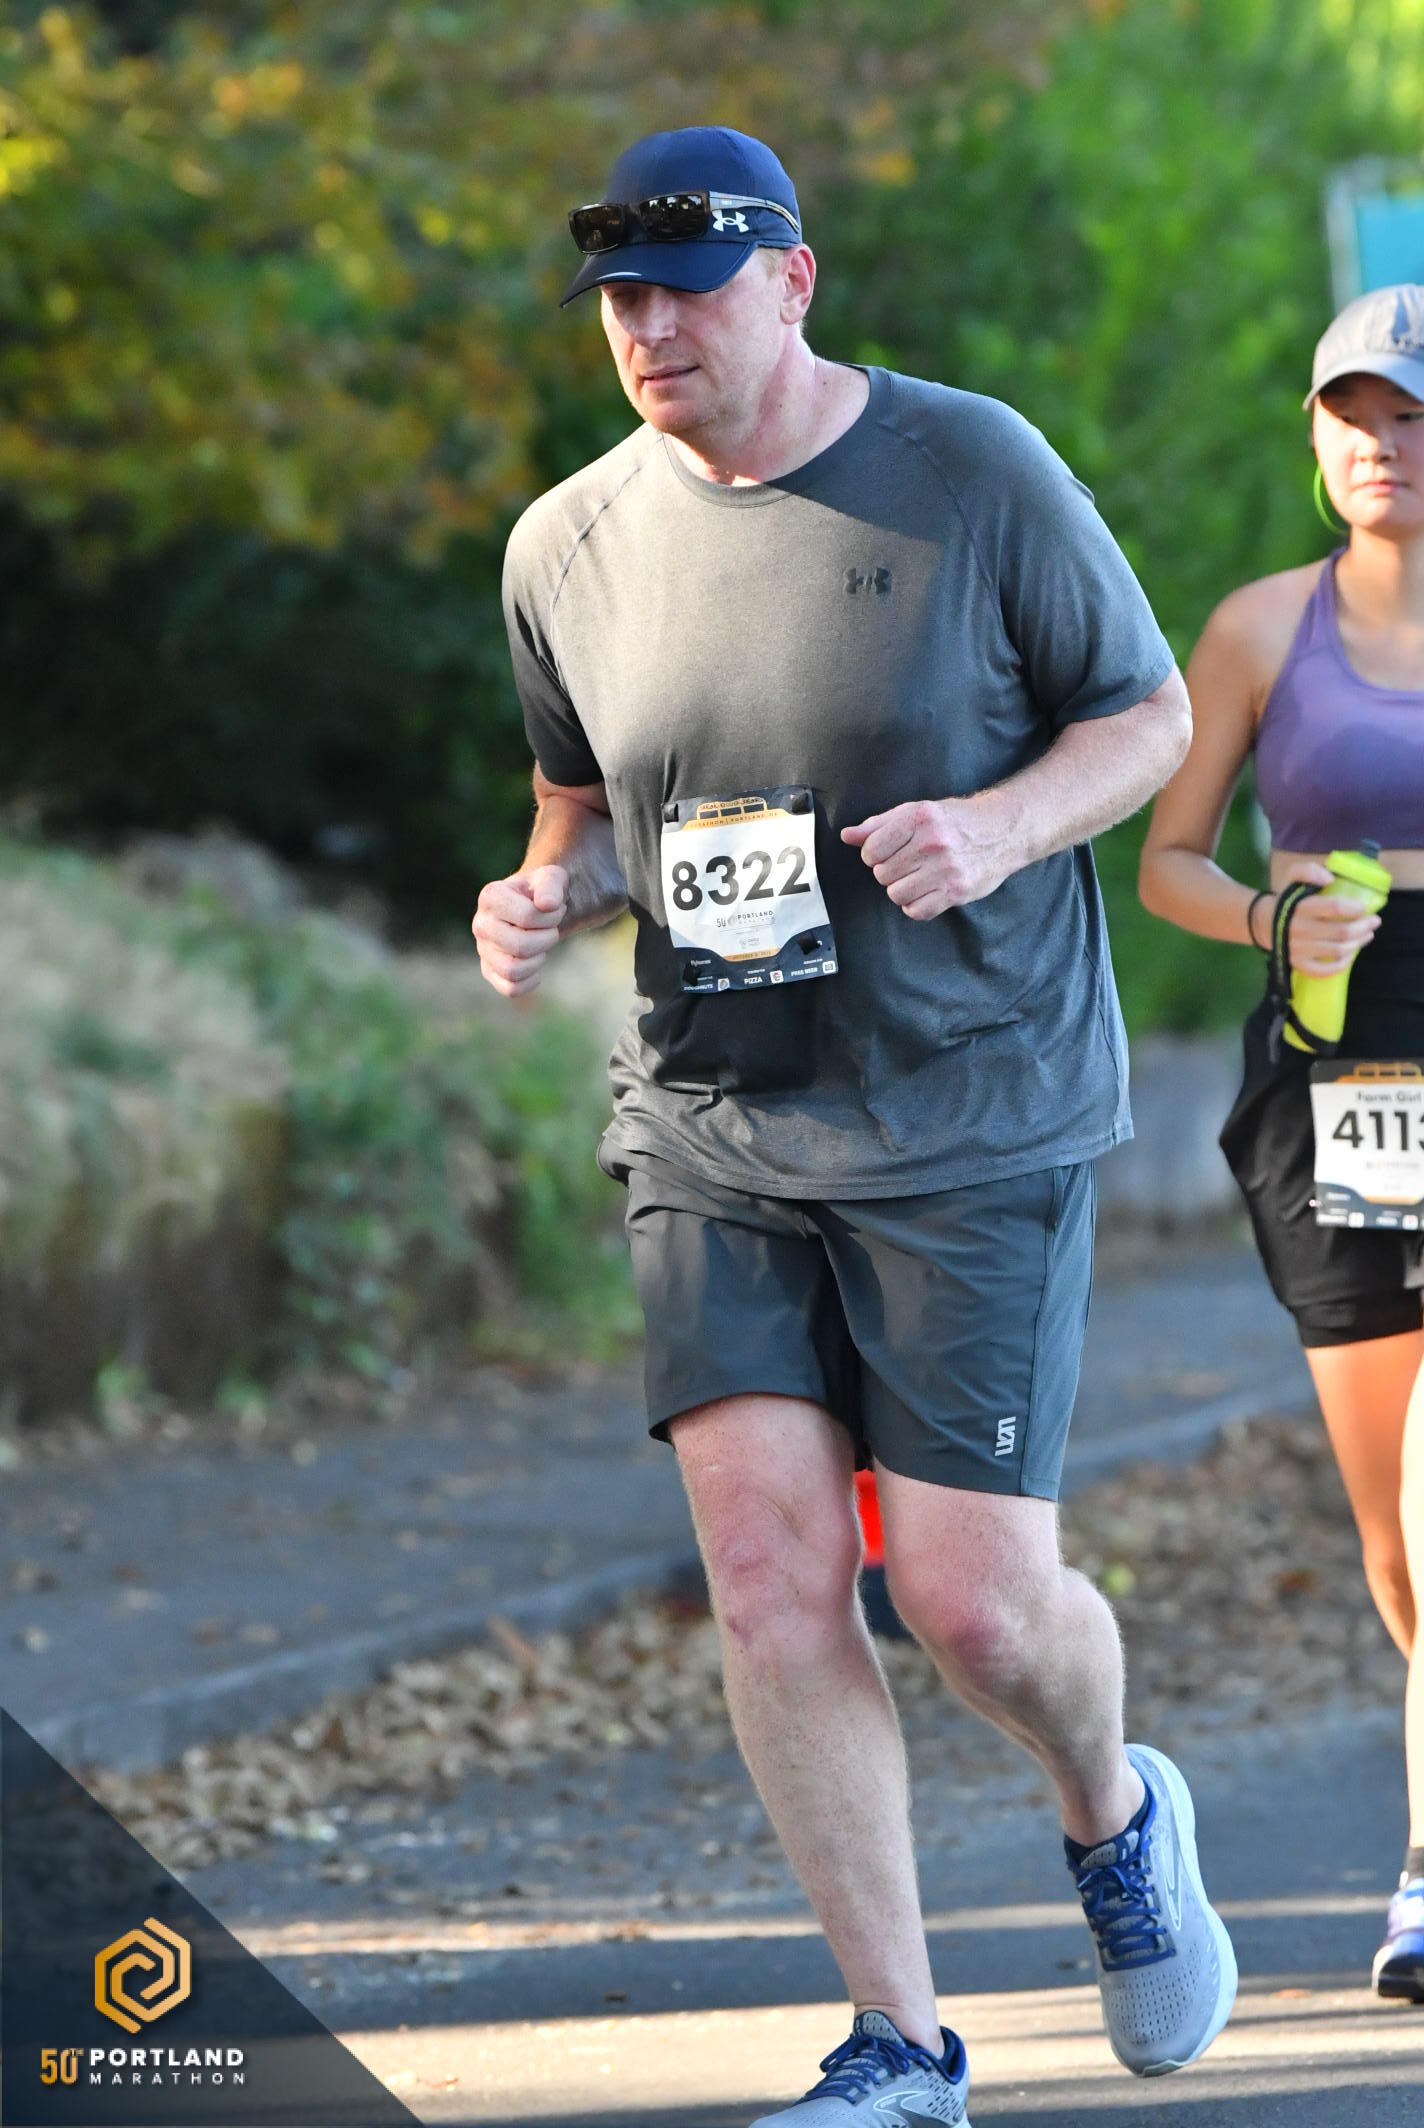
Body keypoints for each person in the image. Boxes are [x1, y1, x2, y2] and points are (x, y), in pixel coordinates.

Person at [479, 123, 1237, 2121]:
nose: (650, 331)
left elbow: (1147, 714)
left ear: (793, 280)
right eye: (622, 303)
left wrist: (995, 827)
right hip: (713, 1121)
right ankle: (901, 2043)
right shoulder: (566, 542)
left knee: (973, 1608)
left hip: (969, 1109)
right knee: (768, 1575)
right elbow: (581, 804)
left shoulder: (971, 468)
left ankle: (1111, 1806)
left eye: (688, 293)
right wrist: (542, 892)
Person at [1139, 283, 1424, 2004]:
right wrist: (1270, 916)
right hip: (1339, 1067)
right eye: (1354, 414)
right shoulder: (1257, 627)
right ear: (1316, 439)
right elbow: (1165, 860)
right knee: (1394, 1538)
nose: (1382, 445)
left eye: (1414, 416)